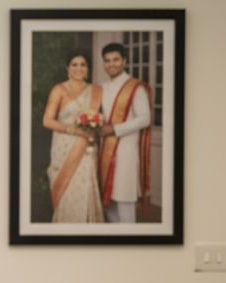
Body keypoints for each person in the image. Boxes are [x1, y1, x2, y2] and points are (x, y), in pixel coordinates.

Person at [41, 52, 105, 222]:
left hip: (86, 148)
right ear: (67, 68)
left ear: (88, 69)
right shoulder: (59, 89)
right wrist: (75, 131)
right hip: (64, 148)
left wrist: (93, 128)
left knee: (86, 187)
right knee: (66, 191)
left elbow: (101, 122)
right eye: (74, 64)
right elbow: (47, 121)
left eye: (83, 64)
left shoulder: (95, 90)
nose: (79, 68)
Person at [97, 42, 154, 223]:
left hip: (126, 152)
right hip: (105, 149)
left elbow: (145, 118)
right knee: (109, 204)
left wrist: (114, 128)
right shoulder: (102, 87)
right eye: (107, 61)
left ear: (124, 61)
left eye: (115, 60)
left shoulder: (135, 87)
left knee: (124, 201)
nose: (111, 64)